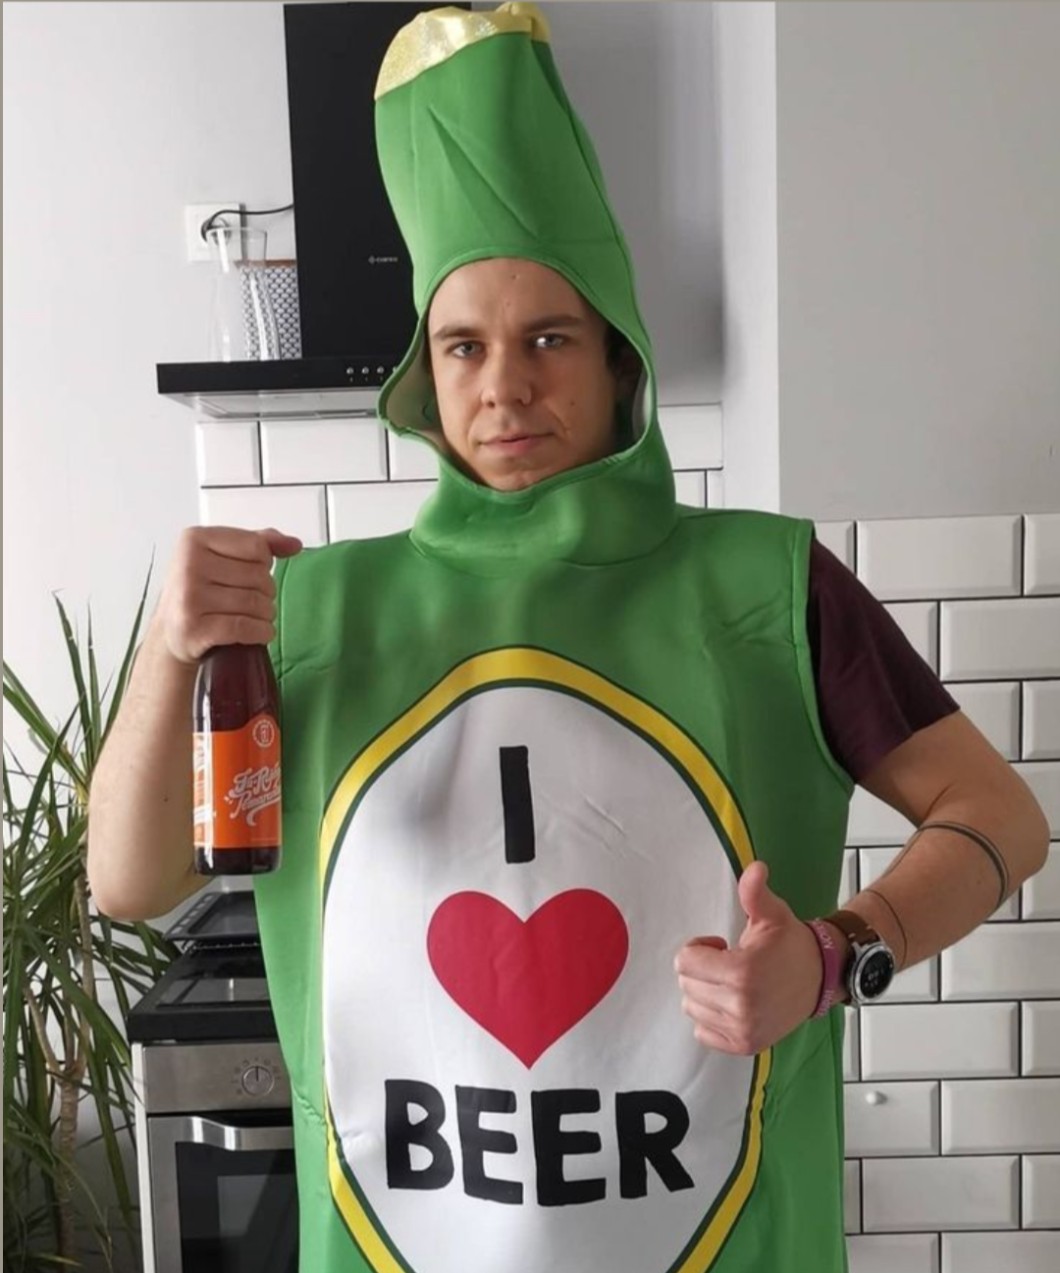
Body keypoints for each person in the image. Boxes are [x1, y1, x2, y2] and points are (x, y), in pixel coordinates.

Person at [88, 5, 1048, 1271]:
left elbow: (999, 819)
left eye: (548, 338)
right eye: (463, 346)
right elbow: (131, 881)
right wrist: (170, 653)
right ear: (425, 381)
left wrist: (831, 957)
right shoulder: (312, 609)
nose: (505, 384)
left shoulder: (767, 585)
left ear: (616, 360)